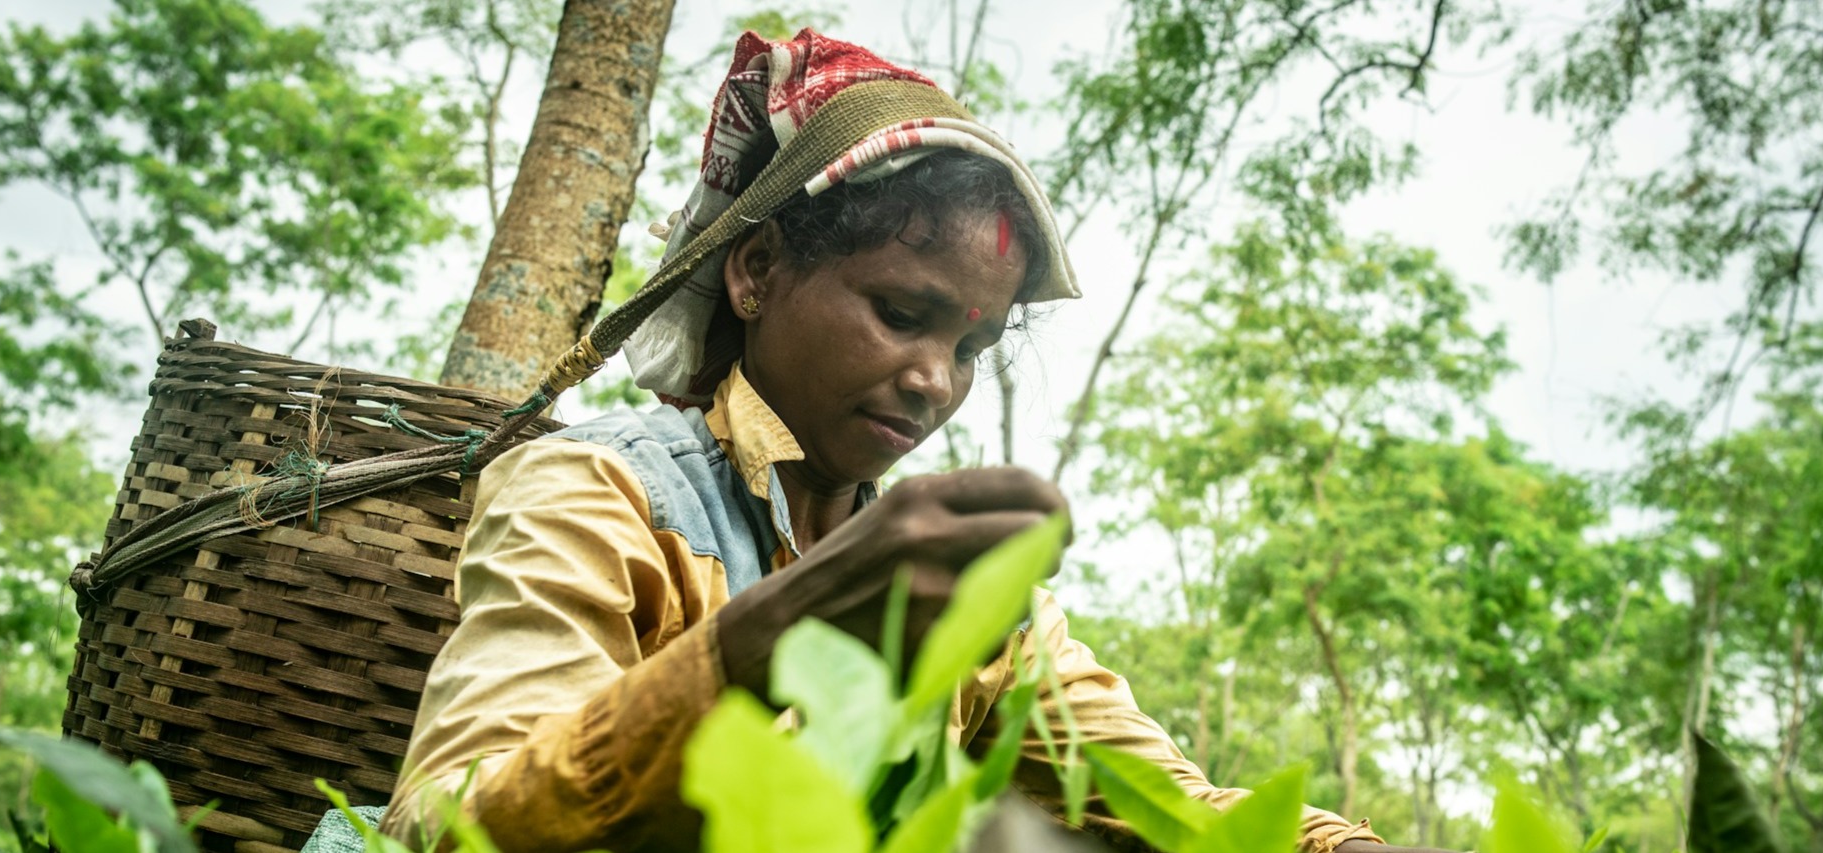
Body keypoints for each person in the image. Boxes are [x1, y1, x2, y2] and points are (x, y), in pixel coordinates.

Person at [380, 29, 1436, 853]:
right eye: (900, 311)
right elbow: (449, 823)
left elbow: (1168, 806)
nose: (937, 379)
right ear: (758, 271)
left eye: (973, 343)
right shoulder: (598, 494)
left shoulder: (959, 600)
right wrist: (772, 636)